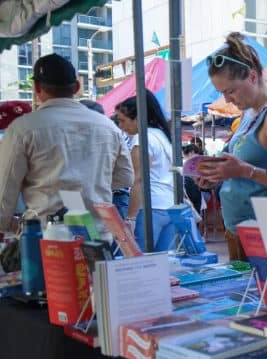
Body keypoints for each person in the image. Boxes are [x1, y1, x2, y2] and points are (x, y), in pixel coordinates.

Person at [0, 56, 132, 229]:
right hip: (96, 231)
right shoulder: (107, 125)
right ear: (77, 87)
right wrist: (89, 185)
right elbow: (125, 177)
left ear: (37, 88)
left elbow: (5, 188)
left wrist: (5, 225)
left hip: (46, 233)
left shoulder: (23, 128)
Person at [198, 32, 267, 262]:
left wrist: (243, 171)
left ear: (252, 77)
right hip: (239, 231)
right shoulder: (248, 113)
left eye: (231, 91)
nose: (228, 99)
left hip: (266, 236)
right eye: (222, 93)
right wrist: (216, 174)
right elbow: (238, 165)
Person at [116, 93, 176, 251]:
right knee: (165, 265)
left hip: (150, 208)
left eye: (123, 120)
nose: (121, 126)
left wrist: (130, 218)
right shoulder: (162, 136)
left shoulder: (142, 139)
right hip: (170, 207)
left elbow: (139, 180)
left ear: (137, 118)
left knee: (142, 266)